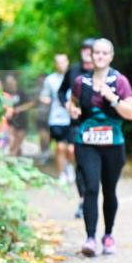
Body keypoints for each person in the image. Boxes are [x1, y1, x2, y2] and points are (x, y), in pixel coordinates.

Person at [66, 39, 132, 257]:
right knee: (90, 188)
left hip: (113, 144)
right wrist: (73, 110)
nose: (100, 56)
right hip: (86, 143)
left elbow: (131, 113)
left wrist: (112, 98)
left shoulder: (120, 81)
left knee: (109, 190)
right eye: (96, 52)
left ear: (111, 56)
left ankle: (108, 235)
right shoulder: (81, 81)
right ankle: (89, 238)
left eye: (105, 53)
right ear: (90, 55)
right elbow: (73, 102)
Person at [59, 39, 96, 218]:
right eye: (84, 49)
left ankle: (94, 197)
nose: (87, 53)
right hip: (77, 123)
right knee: (79, 159)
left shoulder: (103, 71)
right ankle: (83, 200)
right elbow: (61, 91)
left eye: (90, 49)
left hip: (98, 125)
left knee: (97, 164)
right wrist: (67, 104)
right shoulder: (73, 71)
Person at [40, 53, 76, 184]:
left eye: (63, 62)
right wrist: (47, 101)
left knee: (71, 149)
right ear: (55, 64)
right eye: (58, 62)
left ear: (68, 62)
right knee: (60, 147)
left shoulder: (75, 77)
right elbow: (43, 96)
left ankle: (70, 166)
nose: (61, 64)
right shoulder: (50, 80)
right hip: (56, 118)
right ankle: (62, 173)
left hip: (73, 118)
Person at [3, 74, 33, 157]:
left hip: (21, 120)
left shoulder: (21, 93)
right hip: (10, 121)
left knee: (18, 142)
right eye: (8, 82)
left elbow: (30, 104)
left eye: (11, 81)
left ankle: (16, 157)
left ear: (15, 81)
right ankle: (12, 156)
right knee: (11, 140)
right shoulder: (4, 93)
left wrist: (20, 108)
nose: (10, 83)